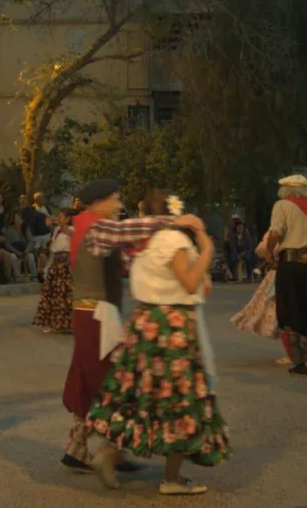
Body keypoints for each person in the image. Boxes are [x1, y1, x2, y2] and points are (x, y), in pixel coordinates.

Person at [86, 189, 230, 495]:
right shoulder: (173, 240)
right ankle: (172, 479)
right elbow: (190, 281)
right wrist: (206, 246)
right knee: (179, 398)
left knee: (137, 392)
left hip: (145, 320)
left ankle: (109, 453)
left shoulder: (143, 242)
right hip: (172, 324)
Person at [59, 179, 196, 475]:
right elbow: (125, 231)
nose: (120, 205)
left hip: (94, 313)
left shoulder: (88, 227)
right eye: (116, 199)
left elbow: (125, 253)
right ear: (99, 202)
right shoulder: (95, 227)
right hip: (96, 314)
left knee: (93, 379)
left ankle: (78, 450)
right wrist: (171, 221)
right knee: (110, 382)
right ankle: (110, 453)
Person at [262, 175, 307, 376]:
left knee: (290, 311)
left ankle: (299, 362)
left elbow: (275, 233)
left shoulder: (282, 205)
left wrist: (268, 252)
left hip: (291, 263)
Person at [231, 231, 293, 365]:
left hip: (283, 273)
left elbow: (262, 250)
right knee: (278, 311)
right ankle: (294, 351)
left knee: (282, 312)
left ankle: (294, 351)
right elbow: (261, 250)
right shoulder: (280, 233)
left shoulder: (279, 232)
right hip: (280, 273)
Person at [32, 209, 74, 333]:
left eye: (61, 217)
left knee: (65, 294)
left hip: (65, 264)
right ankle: (53, 322)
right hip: (55, 263)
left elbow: (74, 239)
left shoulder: (72, 229)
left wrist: (58, 226)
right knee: (53, 294)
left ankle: (68, 323)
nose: (58, 218)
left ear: (68, 219)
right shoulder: (57, 230)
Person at [4, 211, 37, 280]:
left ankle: (34, 276)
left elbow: (31, 241)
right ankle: (17, 276)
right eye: (16, 218)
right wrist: (16, 252)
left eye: (19, 218)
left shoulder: (25, 228)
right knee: (12, 257)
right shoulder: (10, 229)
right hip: (13, 250)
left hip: (24, 250)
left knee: (30, 256)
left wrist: (26, 250)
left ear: (23, 220)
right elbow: (7, 244)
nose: (17, 220)